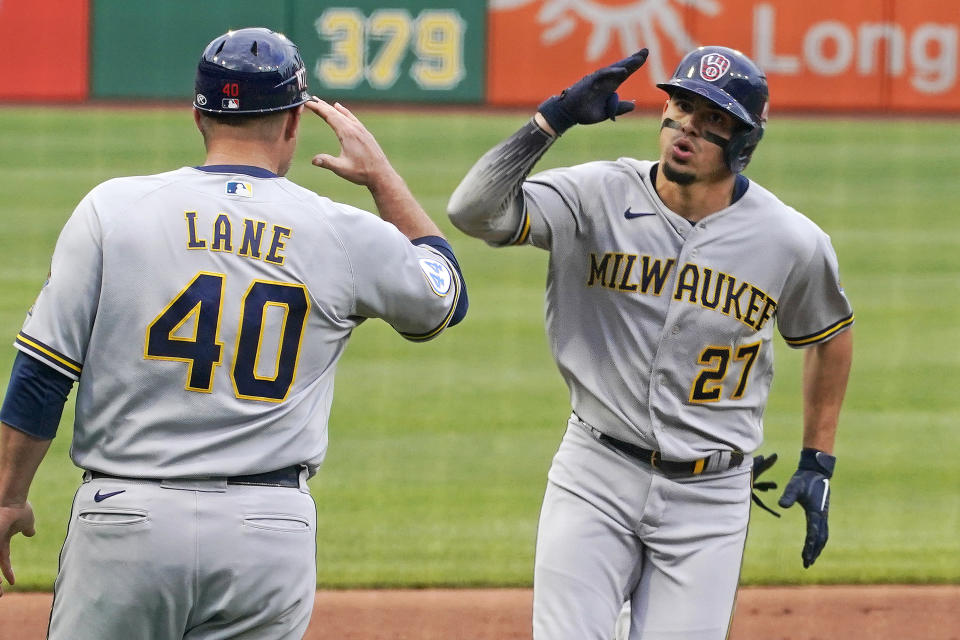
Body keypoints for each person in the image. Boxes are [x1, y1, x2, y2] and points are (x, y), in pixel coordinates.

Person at [0, 27, 466, 639]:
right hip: (266, 533)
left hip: (127, 526)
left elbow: (43, 371)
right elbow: (443, 297)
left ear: (198, 114)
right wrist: (381, 177)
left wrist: (8, 496)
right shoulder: (341, 231)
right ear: (295, 122)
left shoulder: (112, 209)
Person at [447, 45, 853, 639]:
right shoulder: (596, 196)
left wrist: (818, 458)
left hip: (711, 497)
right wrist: (551, 119)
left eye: (713, 119)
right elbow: (471, 211)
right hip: (595, 472)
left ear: (744, 141)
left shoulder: (790, 240)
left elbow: (830, 336)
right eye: (682, 106)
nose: (688, 126)